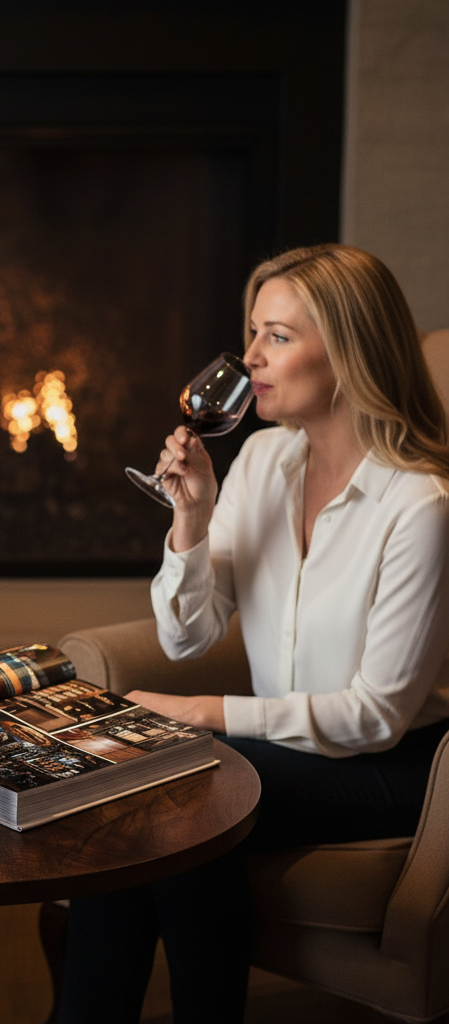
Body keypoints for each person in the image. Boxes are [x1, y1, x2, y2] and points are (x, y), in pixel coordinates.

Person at [60, 243, 449, 1024]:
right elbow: (186, 635)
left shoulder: (422, 506)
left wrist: (205, 715)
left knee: (184, 798)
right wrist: (191, 519)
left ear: (346, 351)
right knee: (145, 800)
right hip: (282, 750)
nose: (249, 360)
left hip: (399, 766)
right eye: (252, 333)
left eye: (277, 336)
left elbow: (374, 715)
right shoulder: (265, 461)